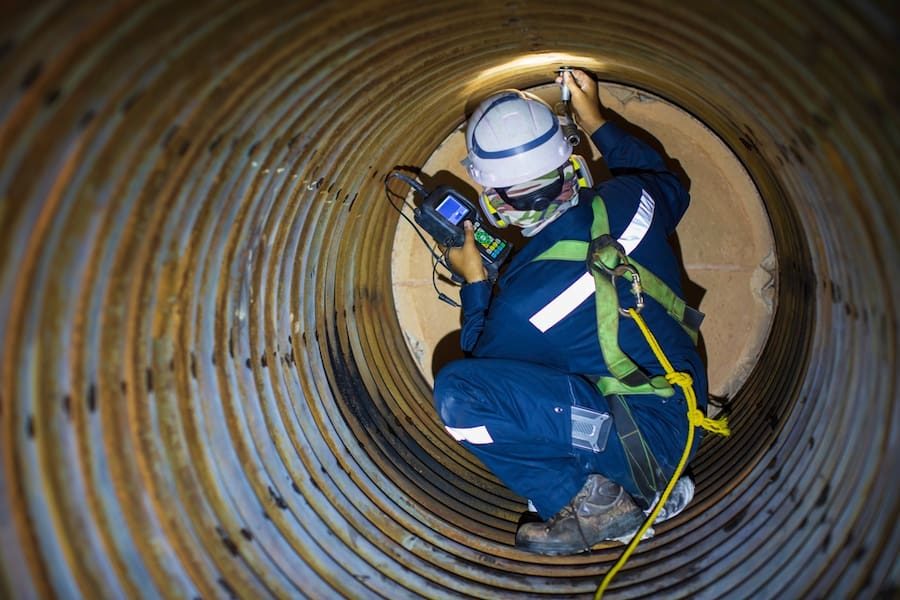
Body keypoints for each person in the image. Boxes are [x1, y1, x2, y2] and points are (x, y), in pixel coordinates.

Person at [432, 69, 710, 555]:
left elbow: (482, 367)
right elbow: (669, 183)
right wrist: (597, 119)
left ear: (494, 202)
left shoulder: (520, 304)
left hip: (641, 447)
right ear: (570, 160)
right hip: (687, 408)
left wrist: (476, 283)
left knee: (459, 394)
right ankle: (648, 489)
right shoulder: (633, 199)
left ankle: (603, 500)